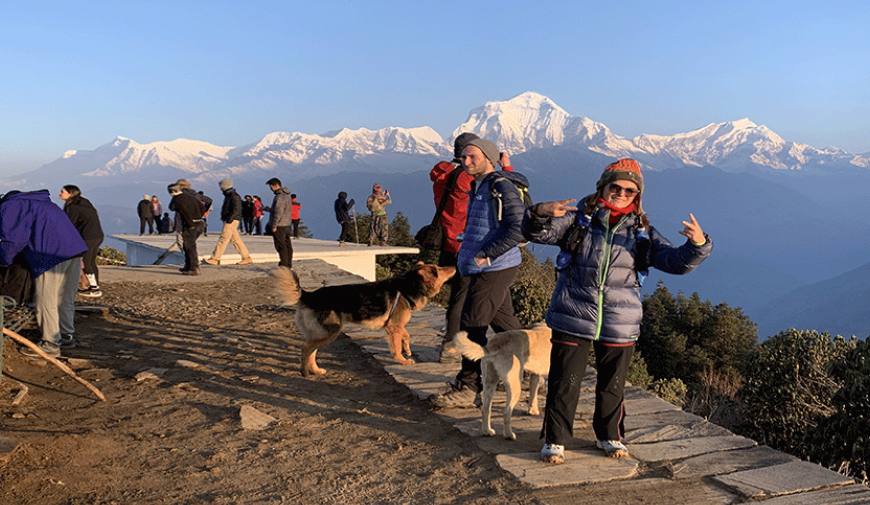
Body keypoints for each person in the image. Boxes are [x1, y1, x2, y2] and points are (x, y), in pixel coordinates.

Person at [523, 158, 713, 463]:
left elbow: (674, 262)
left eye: (630, 190)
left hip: (620, 320)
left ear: (637, 195)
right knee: (564, 382)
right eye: (616, 187)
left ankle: (609, 435)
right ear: (603, 186)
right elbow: (536, 234)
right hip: (573, 311)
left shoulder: (642, 232)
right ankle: (555, 440)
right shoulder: (578, 220)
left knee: (612, 385)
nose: (622, 193)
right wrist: (539, 212)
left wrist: (698, 245)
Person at [431, 138, 526, 409]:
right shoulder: (478, 185)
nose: (466, 162)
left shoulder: (500, 186)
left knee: (472, 323)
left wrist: (488, 253)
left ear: (489, 157)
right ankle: (529, 368)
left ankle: (469, 386)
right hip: (479, 264)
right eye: (463, 157)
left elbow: (518, 227)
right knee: (506, 322)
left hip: (495, 265)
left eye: (472, 156)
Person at [0, 190, 87, 357]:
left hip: (50, 255)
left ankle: (50, 343)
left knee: (46, 300)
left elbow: (13, 240)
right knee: (64, 299)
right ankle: (66, 335)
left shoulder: (10, 206)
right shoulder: (41, 203)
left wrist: (4, 260)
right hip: (74, 251)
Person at [59, 185, 104, 299]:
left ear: (70, 193)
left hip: (88, 237)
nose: (60, 194)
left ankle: (94, 288)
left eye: (62, 192)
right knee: (91, 261)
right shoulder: (83, 202)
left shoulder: (73, 207)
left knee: (86, 262)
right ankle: (94, 285)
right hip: (97, 235)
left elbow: (69, 225)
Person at [202, 178, 253, 266]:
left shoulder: (233, 196)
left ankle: (215, 258)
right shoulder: (230, 195)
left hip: (231, 220)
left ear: (225, 186)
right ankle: (246, 258)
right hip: (231, 219)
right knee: (236, 240)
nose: (220, 188)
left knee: (223, 239)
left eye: (221, 186)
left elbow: (236, 209)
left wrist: (229, 218)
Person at [168, 183, 205, 275]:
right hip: (200, 223)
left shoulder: (177, 200)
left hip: (190, 225)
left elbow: (172, 208)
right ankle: (187, 266)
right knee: (187, 245)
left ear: (172, 192)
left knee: (189, 247)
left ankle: (193, 268)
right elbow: (202, 207)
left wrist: (190, 223)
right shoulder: (191, 197)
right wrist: (198, 216)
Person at [266, 178, 293, 269]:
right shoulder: (287, 195)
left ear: (275, 185)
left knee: (280, 246)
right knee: (287, 244)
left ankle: (284, 264)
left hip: (280, 225)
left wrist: (274, 225)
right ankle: (288, 263)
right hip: (287, 223)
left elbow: (278, 212)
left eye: (270, 186)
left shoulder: (279, 196)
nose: (270, 189)